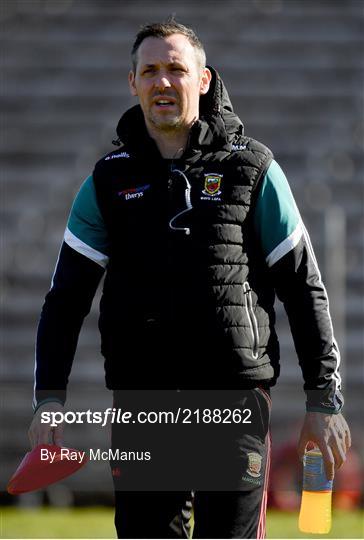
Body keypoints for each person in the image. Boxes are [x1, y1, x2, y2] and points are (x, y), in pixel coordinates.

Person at [28, 19, 351, 539]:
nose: (163, 81)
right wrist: (49, 400)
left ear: (203, 79)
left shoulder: (254, 169)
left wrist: (322, 402)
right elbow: (64, 300)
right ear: (131, 82)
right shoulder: (106, 182)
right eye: (150, 70)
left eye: (176, 69)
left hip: (233, 403)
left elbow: (302, 286)